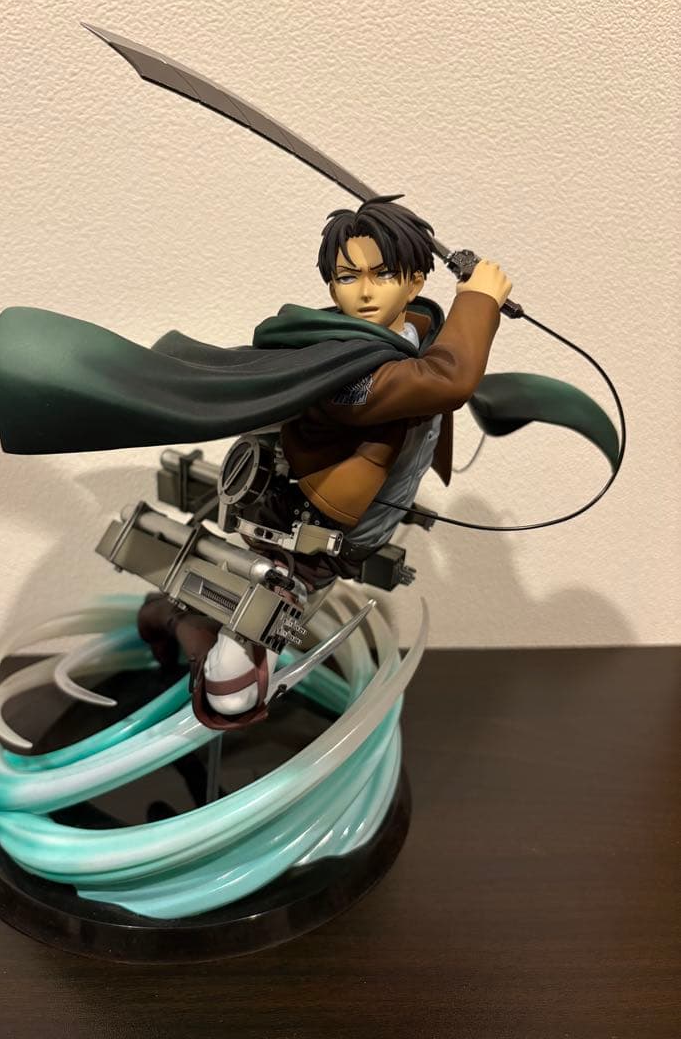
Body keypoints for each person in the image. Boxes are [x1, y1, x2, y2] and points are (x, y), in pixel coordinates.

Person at [140, 195, 512, 724]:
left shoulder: (418, 331)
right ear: (332, 287)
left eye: (383, 274)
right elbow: (445, 380)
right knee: (233, 690)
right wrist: (479, 299)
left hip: (362, 524)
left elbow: (440, 367)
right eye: (347, 277)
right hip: (304, 542)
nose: (365, 291)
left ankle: (184, 619)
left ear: (415, 282)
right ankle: (178, 625)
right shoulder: (346, 369)